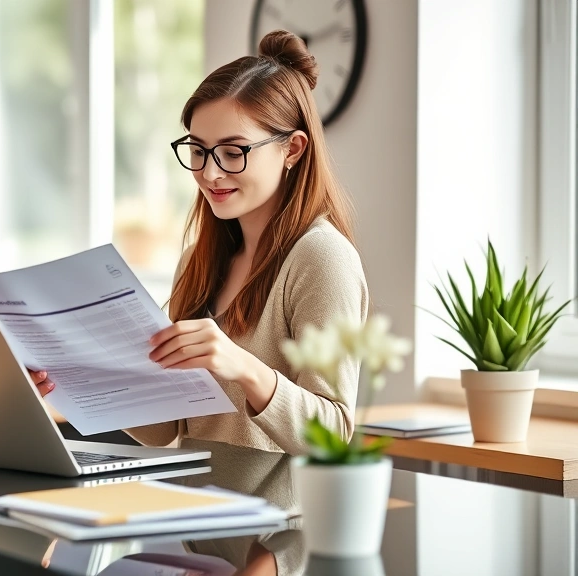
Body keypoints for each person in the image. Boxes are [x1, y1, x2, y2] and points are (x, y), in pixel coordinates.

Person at [31, 29, 368, 456]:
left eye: (233, 152)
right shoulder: (200, 259)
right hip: (197, 506)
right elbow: (163, 430)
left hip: (278, 518)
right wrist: (74, 375)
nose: (209, 173)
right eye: (198, 150)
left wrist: (243, 366)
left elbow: (334, 435)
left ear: (293, 149)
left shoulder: (322, 258)